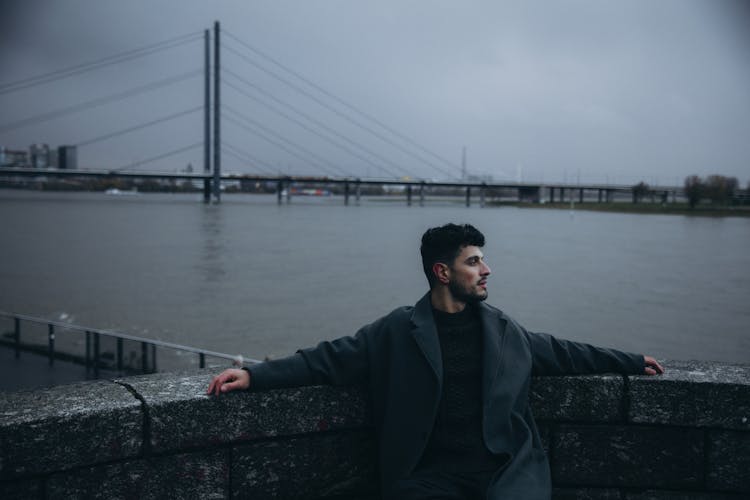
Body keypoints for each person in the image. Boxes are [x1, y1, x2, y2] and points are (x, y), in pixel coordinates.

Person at [207, 223, 664, 499]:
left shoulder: (505, 331)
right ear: (442, 273)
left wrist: (630, 361)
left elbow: (566, 353)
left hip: (502, 473)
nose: (486, 270)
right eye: (474, 262)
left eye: (483, 260)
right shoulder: (396, 331)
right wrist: (253, 375)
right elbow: (326, 359)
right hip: (427, 479)